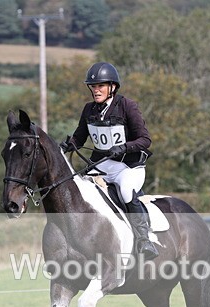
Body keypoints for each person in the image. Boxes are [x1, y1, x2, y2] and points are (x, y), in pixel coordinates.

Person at [61, 61, 159, 260]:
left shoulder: (127, 106)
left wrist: (124, 147)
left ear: (112, 87)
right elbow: (79, 138)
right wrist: (68, 145)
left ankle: (144, 240)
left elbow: (145, 140)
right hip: (102, 165)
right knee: (79, 189)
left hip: (128, 166)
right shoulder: (89, 110)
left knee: (126, 191)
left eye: (101, 86)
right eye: (93, 86)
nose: (96, 90)